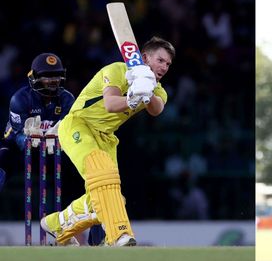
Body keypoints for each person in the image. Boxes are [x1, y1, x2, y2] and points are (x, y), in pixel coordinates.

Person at [40, 36, 175, 246]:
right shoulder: (117, 70)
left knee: (110, 199)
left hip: (106, 137)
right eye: (160, 60)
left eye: (168, 64)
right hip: (78, 125)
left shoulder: (157, 89)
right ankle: (119, 235)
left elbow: (157, 109)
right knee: (103, 177)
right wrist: (131, 96)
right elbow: (111, 103)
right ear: (144, 57)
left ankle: (56, 223)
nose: (165, 67)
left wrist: (146, 91)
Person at [0, 53, 74, 192]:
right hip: (18, 150)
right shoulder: (20, 99)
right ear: (35, 78)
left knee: (77, 162)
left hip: (53, 150)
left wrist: (61, 138)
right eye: (47, 76)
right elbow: (17, 137)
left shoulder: (67, 99)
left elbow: (70, 132)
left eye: (56, 75)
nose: (53, 81)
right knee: (3, 157)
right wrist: (30, 139)